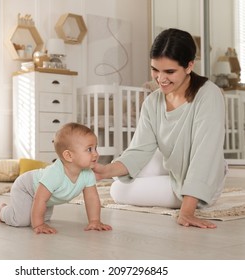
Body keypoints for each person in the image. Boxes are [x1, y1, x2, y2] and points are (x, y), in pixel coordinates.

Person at [93, 28, 227, 229]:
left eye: (170, 72)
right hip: (172, 161)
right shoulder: (152, 101)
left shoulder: (209, 95)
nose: (160, 78)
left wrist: (187, 211)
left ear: (189, 66)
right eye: (155, 69)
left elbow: (205, 155)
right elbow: (138, 151)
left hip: (204, 177)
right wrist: (103, 171)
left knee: (119, 191)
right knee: (118, 175)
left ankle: (190, 195)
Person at [0, 122, 112, 234]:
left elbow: (92, 198)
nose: (96, 154)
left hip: (46, 198)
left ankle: (32, 216)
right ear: (68, 155)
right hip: (26, 188)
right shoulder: (55, 174)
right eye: (89, 149)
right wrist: (38, 225)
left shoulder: (88, 173)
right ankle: (3, 211)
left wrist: (95, 221)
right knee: (22, 221)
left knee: (44, 218)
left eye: (95, 148)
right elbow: (40, 199)